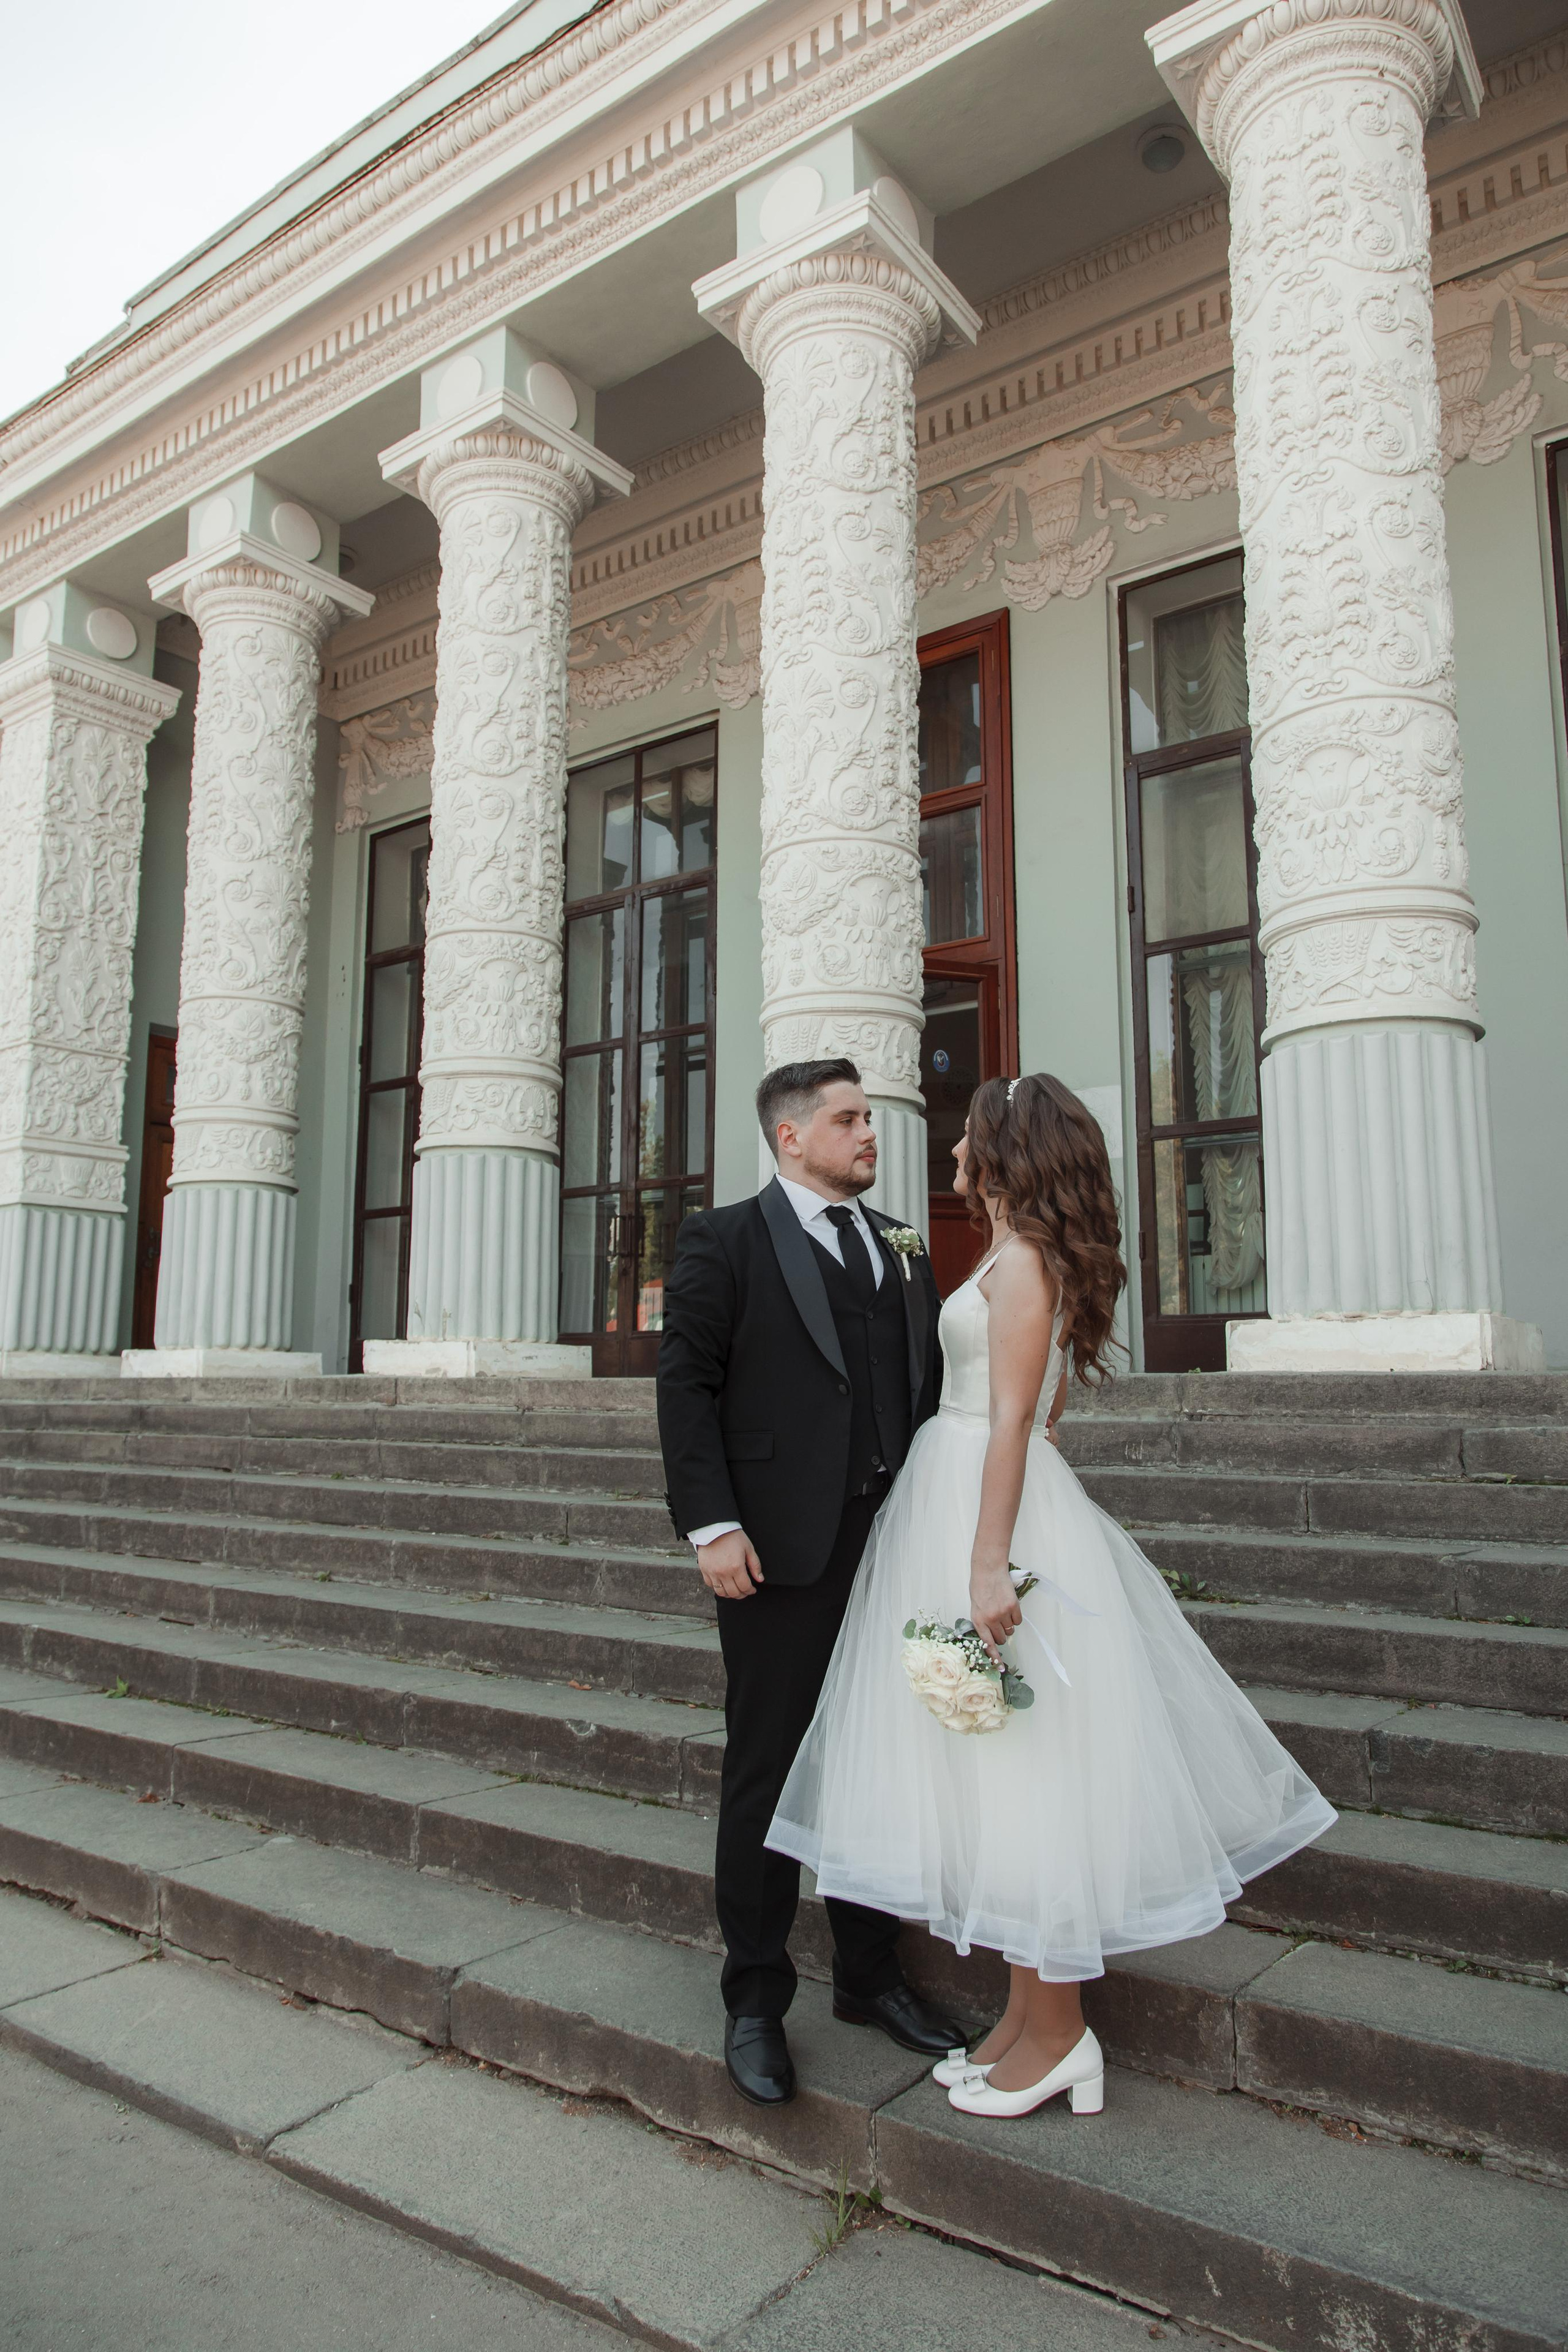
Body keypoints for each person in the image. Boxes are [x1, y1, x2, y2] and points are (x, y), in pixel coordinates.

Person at [767, 1072, 1336, 2120]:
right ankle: (1025, 2023)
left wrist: (989, 1563)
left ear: (1006, 1152)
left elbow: (1020, 1420)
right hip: (963, 1499)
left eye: (967, 1142)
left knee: (1029, 1778)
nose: (950, 1158)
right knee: (995, 1773)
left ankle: (1065, 2036)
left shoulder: (1024, 1263)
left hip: (991, 1517)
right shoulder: (1014, 1254)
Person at [657, 1058, 960, 2108]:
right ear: (792, 1137)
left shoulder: (903, 1247)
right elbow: (686, 1386)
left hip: (893, 1550)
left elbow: (923, 1388)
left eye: (868, 1117)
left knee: (880, 1763)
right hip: (777, 1556)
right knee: (770, 1771)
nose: (870, 1134)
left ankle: (870, 1979)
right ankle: (754, 1999)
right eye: (849, 1120)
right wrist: (713, 1525)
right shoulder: (725, 1239)